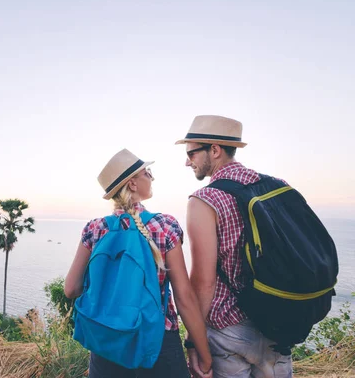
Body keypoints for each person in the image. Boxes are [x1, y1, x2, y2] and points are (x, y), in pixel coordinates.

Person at [64, 148, 212, 378]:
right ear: (132, 184)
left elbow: (71, 288)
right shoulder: (164, 226)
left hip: (107, 345)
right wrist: (204, 356)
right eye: (147, 173)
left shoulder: (94, 229)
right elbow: (184, 297)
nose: (151, 177)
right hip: (158, 343)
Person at [176, 115, 293, 377]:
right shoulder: (278, 187)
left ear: (215, 150)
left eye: (191, 153)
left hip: (229, 331)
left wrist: (193, 341)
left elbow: (203, 283)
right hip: (279, 323)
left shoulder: (205, 200)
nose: (187, 161)